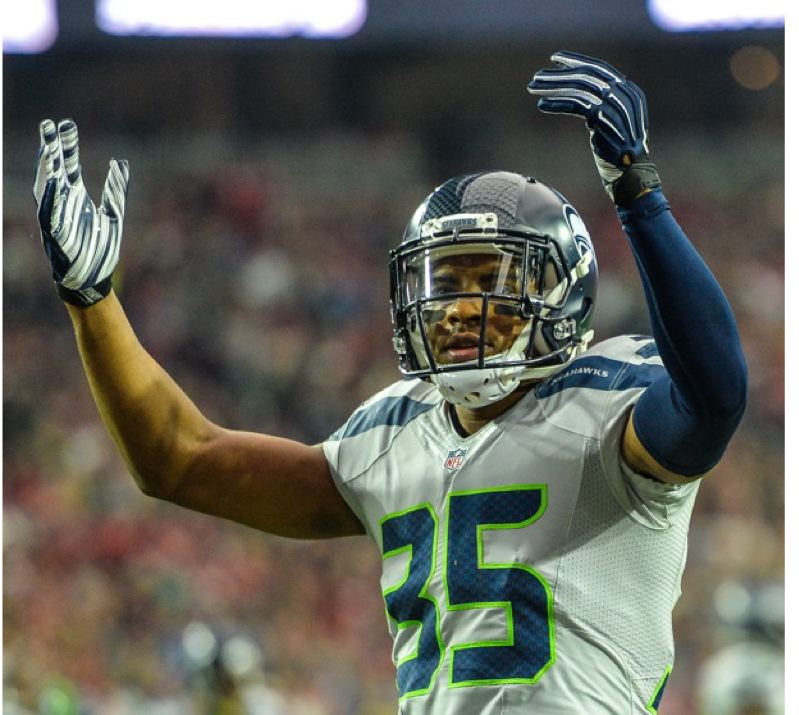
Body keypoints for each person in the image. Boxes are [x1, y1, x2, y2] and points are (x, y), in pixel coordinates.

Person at [32, 51, 747, 714]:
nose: (459, 306)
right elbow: (180, 460)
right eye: (442, 282)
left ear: (564, 294)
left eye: (489, 280)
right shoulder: (390, 433)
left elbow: (714, 396)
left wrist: (638, 195)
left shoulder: (607, 402)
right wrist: (95, 305)